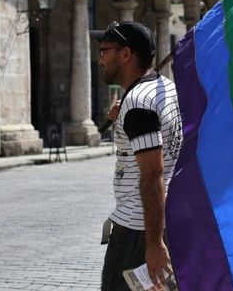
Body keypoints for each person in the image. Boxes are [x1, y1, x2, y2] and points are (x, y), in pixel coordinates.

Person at [93, 21, 183, 290]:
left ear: (125, 54)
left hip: (137, 229)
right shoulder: (164, 87)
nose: (100, 60)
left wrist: (153, 244)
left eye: (104, 51)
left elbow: (152, 174)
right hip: (162, 221)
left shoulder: (137, 104)